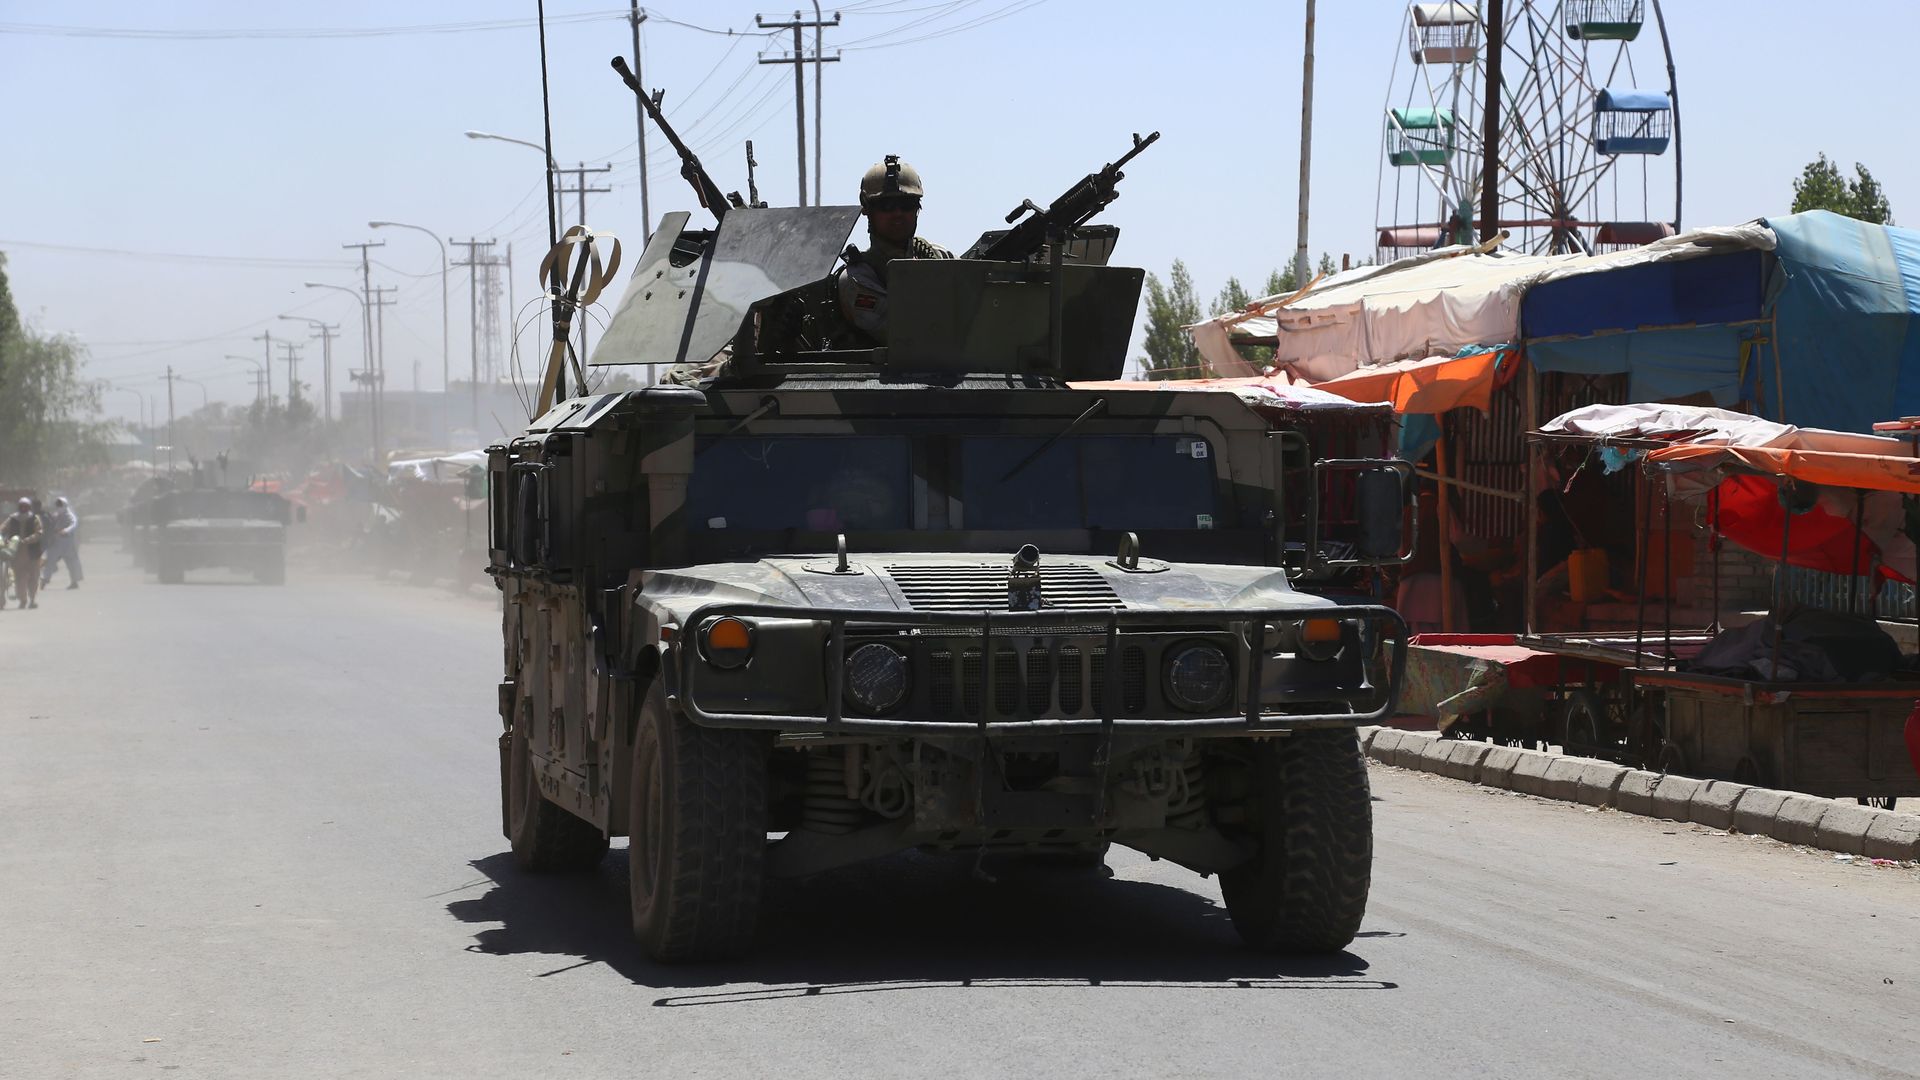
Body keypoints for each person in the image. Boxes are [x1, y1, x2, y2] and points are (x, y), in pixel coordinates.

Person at [836, 154, 952, 344]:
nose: (897, 214)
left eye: (906, 205)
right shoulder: (857, 277)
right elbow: (901, 334)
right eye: (886, 206)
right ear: (867, 210)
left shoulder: (940, 256)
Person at [2, 497, 44, 609]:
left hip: (33, 553)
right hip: (17, 554)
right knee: (20, 578)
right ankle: (23, 600)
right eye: (22, 506)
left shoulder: (34, 518)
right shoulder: (12, 518)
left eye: (26, 506)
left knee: (34, 578)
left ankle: (32, 599)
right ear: (19, 507)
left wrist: (26, 540)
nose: (23, 508)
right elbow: (3, 528)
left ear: (29, 507)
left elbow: (39, 533)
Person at [41, 495, 82, 589]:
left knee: (71, 563)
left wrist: (66, 530)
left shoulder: (70, 516)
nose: (59, 506)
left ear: (65, 505)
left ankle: (74, 582)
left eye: (60, 504)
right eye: (57, 504)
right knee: (50, 561)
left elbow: (73, 525)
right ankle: (44, 580)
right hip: (56, 542)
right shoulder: (56, 515)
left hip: (67, 543)